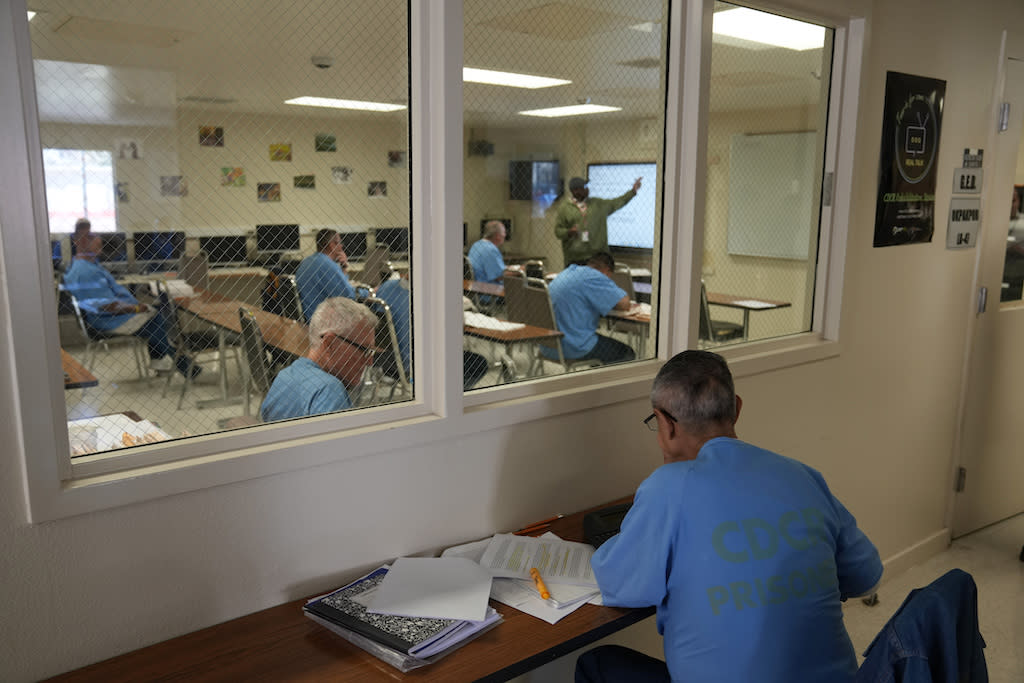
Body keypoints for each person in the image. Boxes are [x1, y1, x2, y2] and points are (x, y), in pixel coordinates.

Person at [576, 350, 883, 683]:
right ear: (736, 409)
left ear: (664, 424)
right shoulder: (803, 476)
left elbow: (618, 584)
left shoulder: (669, 487)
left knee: (596, 665)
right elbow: (867, 577)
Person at [63, 218, 199, 376]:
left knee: (157, 312)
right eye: (92, 237)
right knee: (157, 318)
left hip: (108, 316)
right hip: (110, 320)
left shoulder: (85, 266)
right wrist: (136, 308)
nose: (99, 240)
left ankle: (163, 362)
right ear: (78, 241)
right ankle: (183, 365)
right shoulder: (86, 271)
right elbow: (108, 306)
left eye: (96, 236)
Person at [260, 297, 378, 421]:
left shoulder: (284, 377)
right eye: (363, 350)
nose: (369, 361)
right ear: (329, 344)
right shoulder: (329, 391)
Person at [375, 273, 489, 390]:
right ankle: (449, 394)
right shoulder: (435, 296)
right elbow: (458, 328)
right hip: (420, 366)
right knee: (478, 363)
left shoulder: (386, 287)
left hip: (388, 365)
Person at [546, 252, 635, 365]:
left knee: (601, 345)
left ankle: (595, 378)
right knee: (627, 352)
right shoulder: (595, 276)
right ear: (606, 271)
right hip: (573, 348)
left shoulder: (569, 271)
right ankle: (605, 381)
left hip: (548, 346)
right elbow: (624, 304)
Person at [554, 176, 641, 266]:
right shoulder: (564, 208)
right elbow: (558, 231)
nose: (587, 189)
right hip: (575, 259)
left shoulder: (598, 204)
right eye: (584, 187)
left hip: (597, 258)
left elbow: (617, 202)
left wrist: (633, 192)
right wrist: (569, 232)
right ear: (575, 191)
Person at [294, 229, 355, 322]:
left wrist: (343, 269)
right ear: (331, 245)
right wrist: (368, 293)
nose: (341, 246)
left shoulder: (307, 261)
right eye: (339, 243)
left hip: (308, 318)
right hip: (321, 322)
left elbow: (340, 288)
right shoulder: (327, 265)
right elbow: (348, 296)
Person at [1001, 185, 1024, 301]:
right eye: (1007, 201)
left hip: (1017, 283)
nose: (1011, 205)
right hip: (997, 280)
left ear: (1018, 202)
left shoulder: (1022, 224)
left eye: (1013, 201)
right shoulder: (995, 223)